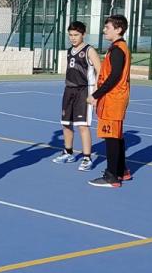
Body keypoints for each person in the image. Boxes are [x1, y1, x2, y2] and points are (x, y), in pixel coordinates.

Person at [88, 14, 133, 188]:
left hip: (113, 100)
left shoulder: (117, 50)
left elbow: (114, 77)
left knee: (111, 138)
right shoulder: (118, 47)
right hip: (115, 98)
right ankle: (122, 171)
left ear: (118, 29)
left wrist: (96, 94)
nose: (104, 30)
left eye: (107, 27)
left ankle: (112, 176)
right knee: (117, 136)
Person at [52, 20, 102, 172]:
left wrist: (95, 93)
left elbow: (100, 71)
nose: (73, 38)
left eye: (76, 35)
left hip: (84, 91)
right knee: (65, 123)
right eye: (70, 35)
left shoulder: (89, 50)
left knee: (82, 126)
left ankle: (87, 157)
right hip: (69, 90)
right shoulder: (69, 51)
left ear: (83, 34)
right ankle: (68, 152)